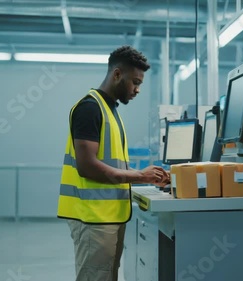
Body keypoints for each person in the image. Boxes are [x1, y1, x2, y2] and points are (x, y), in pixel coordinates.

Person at [57, 45, 169, 281]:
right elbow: (87, 166)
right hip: (93, 218)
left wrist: (146, 176)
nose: (137, 90)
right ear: (117, 74)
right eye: (135, 82)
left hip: (108, 216)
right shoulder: (90, 108)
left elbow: (111, 162)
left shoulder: (110, 110)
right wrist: (140, 176)